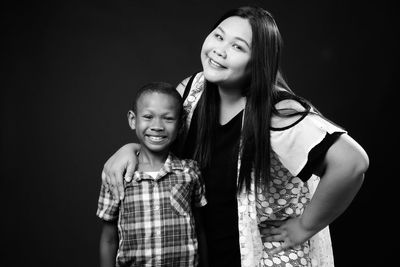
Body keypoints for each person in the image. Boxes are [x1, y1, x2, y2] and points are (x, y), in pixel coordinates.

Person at [101, 6, 369, 267]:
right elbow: (159, 132)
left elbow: (352, 163)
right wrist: (132, 148)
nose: (219, 49)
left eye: (238, 46)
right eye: (218, 36)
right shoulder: (192, 91)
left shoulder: (277, 111)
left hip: (263, 257)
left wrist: (304, 226)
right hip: (207, 253)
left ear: (258, 61)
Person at [97, 82, 207, 267]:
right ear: (133, 120)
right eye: (148, 116)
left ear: (180, 124)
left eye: (168, 119)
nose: (157, 126)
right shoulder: (117, 175)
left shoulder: (190, 172)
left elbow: (200, 230)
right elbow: (108, 239)